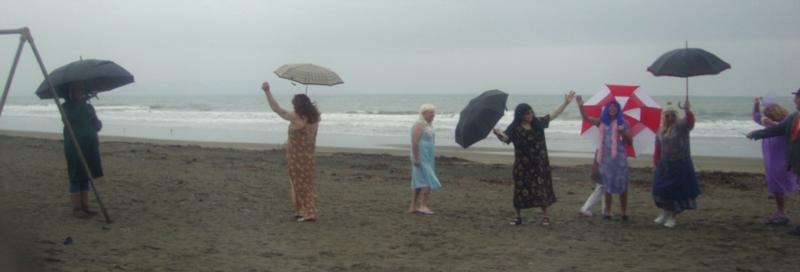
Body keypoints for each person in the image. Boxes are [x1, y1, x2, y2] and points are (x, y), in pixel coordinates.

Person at [492, 91, 575, 226]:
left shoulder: (538, 123)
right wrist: (497, 133)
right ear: (521, 115)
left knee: (542, 189)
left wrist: (565, 103)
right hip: (522, 165)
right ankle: (518, 217)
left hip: (539, 164)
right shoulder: (515, 128)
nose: (530, 115)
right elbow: (506, 138)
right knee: (519, 189)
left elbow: (553, 114)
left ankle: (545, 217)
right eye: (527, 113)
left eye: (531, 112)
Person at [261, 81, 320, 222]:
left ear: (298, 105)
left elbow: (276, 109)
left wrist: (267, 91)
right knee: (304, 183)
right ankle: (301, 211)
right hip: (308, 157)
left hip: (297, 157)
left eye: (294, 104)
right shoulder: (315, 118)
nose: (293, 106)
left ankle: (308, 212)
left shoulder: (295, 117)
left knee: (299, 183)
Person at [748, 89, 800, 236]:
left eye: (796, 97)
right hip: (772, 158)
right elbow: (757, 117)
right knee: (775, 185)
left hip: (783, 158)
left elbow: (782, 130)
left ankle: (781, 213)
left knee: (783, 183)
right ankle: (780, 213)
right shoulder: (792, 117)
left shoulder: (788, 120)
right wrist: (756, 104)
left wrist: (770, 124)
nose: (794, 100)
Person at [576, 97, 632, 221]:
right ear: (606, 109)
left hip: (620, 159)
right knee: (607, 185)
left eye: (615, 108)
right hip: (605, 158)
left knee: (622, 185)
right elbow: (587, 118)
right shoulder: (602, 122)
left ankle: (623, 212)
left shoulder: (623, 123)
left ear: (618, 110)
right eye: (610, 107)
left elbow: (630, 141)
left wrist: (623, 132)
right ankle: (608, 211)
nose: (612, 109)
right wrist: (581, 106)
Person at [651, 99, 699, 228]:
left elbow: (690, 122)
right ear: (664, 117)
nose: (670, 117)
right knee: (661, 190)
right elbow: (657, 148)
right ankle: (665, 212)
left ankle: (673, 217)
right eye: (667, 115)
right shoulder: (660, 130)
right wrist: (655, 163)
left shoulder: (681, 127)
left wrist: (687, 110)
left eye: (672, 115)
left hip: (680, 163)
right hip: (664, 165)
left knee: (677, 192)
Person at [61, 81, 102, 218]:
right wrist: (83, 102)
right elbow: (71, 119)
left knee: (86, 176)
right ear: (70, 92)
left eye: (80, 90)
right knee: (75, 176)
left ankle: (85, 206)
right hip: (74, 145)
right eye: (76, 90)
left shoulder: (88, 107)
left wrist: (96, 122)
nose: (78, 92)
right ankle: (77, 208)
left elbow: (96, 125)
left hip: (88, 145)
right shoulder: (66, 107)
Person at [408, 104, 441, 215]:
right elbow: (414, 142)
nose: (433, 114)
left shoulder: (429, 126)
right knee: (427, 180)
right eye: (430, 112)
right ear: (423, 114)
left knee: (419, 181)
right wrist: (416, 158)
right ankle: (422, 206)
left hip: (428, 156)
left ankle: (413, 207)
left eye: (433, 112)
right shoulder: (418, 125)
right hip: (421, 156)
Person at [578, 152, 605, 217]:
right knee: (601, 187)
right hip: (604, 161)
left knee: (603, 187)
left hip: (602, 159)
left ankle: (605, 210)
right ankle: (586, 208)